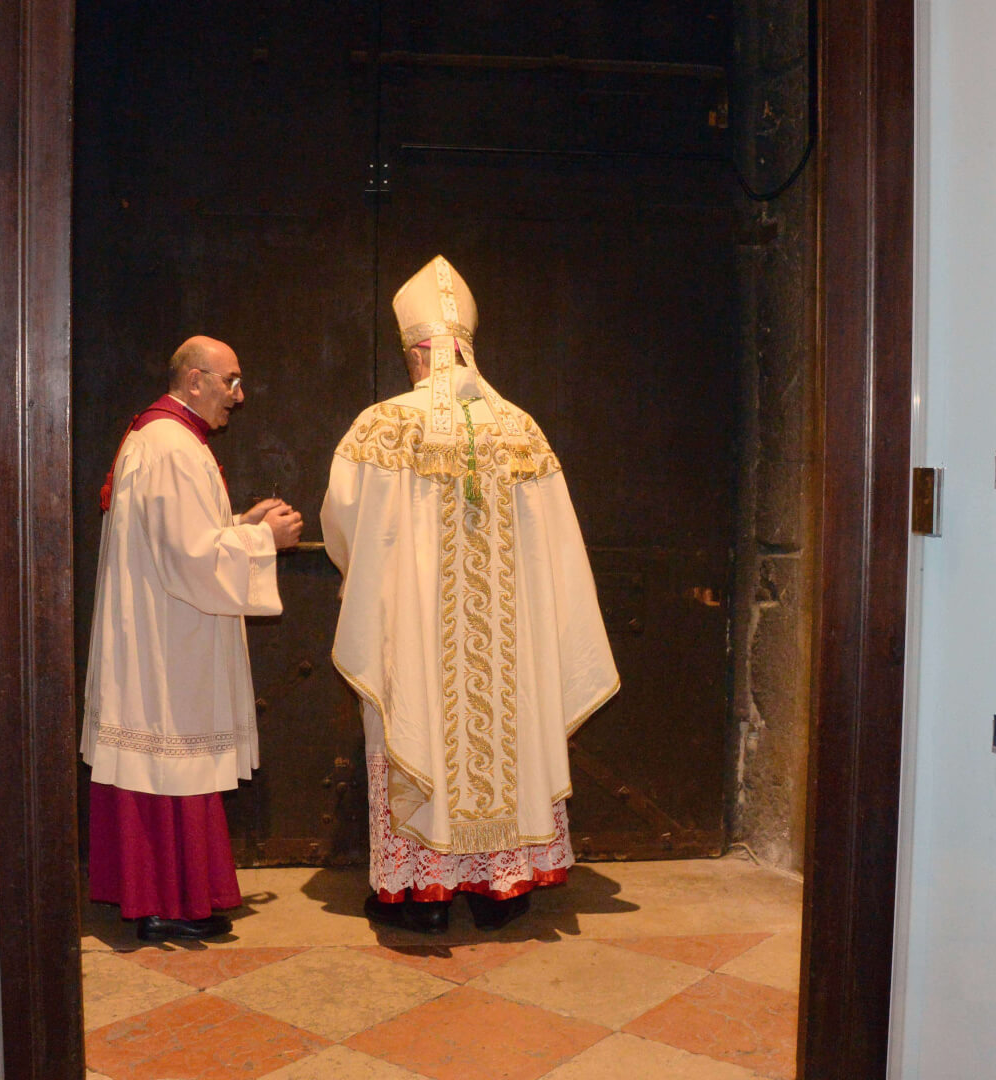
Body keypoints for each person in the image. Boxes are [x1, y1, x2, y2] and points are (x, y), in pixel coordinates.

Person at [322, 256, 619, 934]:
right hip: (512, 652)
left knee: (417, 730)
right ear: (465, 346)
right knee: (512, 734)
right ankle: (502, 891)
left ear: (416, 352)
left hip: (415, 641)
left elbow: (343, 524)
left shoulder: (382, 425)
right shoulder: (523, 429)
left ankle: (422, 899)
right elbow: (559, 548)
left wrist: (372, 579)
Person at [83, 335, 303, 943]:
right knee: (171, 758)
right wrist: (264, 541)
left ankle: (165, 895)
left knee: (166, 762)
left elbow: (179, 538)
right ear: (195, 379)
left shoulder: (162, 437)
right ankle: (164, 900)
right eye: (231, 381)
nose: (239, 395)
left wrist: (239, 524)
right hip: (167, 639)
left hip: (162, 625)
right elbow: (188, 558)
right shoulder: (174, 446)